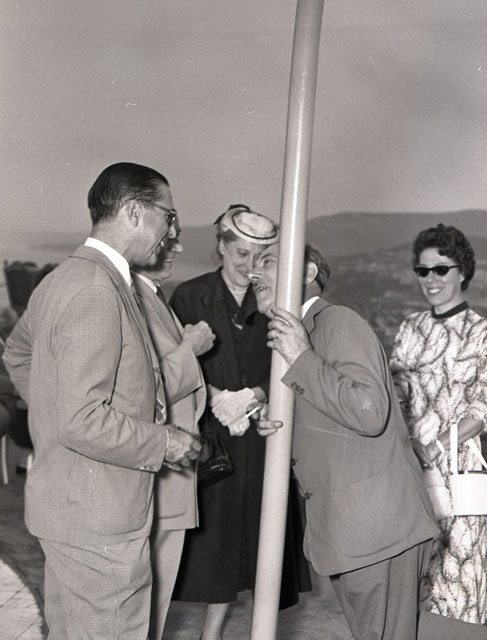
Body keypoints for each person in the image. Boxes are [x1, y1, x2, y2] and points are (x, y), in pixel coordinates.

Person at [251, 241, 487, 640]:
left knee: (383, 631)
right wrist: (280, 424)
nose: (254, 272)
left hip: (374, 522)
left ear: (307, 272)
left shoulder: (336, 322)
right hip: (349, 522)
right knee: (391, 627)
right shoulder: (303, 337)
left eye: (267, 261)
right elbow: (338, 411)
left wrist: (301, 358)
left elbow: (369, 410)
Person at [2, 162, 202, 639]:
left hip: (74, 510)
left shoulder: (65, 278)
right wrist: (166, 441)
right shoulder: (97, 289)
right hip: (101, 521)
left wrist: (51, 416)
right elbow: (82, 419)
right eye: (168, 216)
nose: (171, 231)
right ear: (134, 212)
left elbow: (18, 352)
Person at [170, 204, 310, 640]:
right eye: (240, 254)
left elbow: (291, 358)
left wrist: (256, 396)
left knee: (260, 539)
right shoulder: (188, 296)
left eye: (259, 257)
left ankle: (244, 631)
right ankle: (210, 633)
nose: (250, 266)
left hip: (261, 435)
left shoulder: (275, 298)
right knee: (217, 543)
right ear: (221, 247)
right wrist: (215, 398)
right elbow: (173, 362)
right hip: (211, 435)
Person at [389, 223, 487, 625]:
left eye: (441, 269)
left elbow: (484, 407)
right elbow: (395, 393)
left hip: (457, 468)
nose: (431, 279)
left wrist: (436, 445)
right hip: (409, 464)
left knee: (459, 569)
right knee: (412, 567)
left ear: (463, 272)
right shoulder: (410, 328)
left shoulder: (482, 333)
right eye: (423, 270)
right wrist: (408, 444)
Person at [131, 214, 215, 640]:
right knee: (147, 605)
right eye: (168, 240)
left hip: (171, 478)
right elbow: (144, 386)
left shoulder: (154, 296)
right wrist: (190, 348)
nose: (177, 248)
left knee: (156, 604)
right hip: (158, 478)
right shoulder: (134, 299)